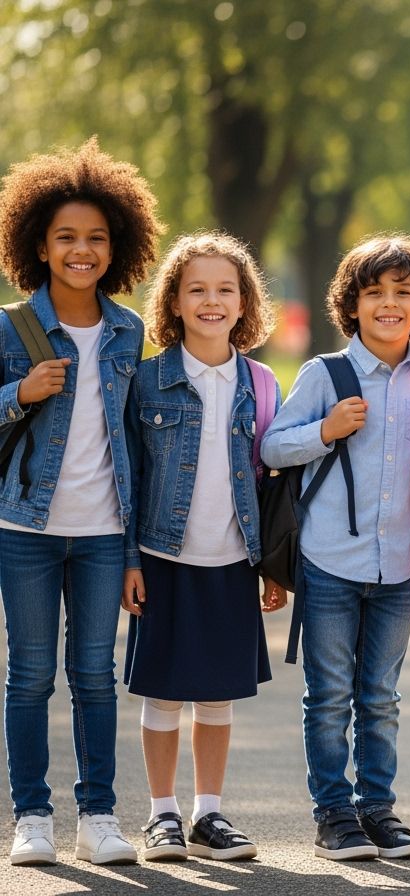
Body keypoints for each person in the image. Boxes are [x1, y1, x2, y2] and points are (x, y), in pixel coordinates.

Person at [0, 139, 161, 867]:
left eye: (96, 238)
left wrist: (132, 551)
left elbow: (133, 444)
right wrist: (17, 394)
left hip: (102, 534)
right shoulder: (11, 328)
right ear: (39, 243)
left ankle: (99, 816)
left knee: (95, 678)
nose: (82, 250)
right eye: (66, 237)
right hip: (24, 528)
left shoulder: (129, 330)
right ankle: (31, 816)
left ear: (117, 245)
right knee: (29, 676)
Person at [260, 235, 410, 861]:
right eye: (375, 293)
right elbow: (271, 449)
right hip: (328, 564)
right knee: (330, 693)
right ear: (353, 305)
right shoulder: (324, 374)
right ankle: (333, 814)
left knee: (381, 697)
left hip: (395, 568)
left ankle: (378, 809)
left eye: (403, 293)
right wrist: (325, 429)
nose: (389, 304)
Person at [122, 232, 285, 862]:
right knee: (162, 690)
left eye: (225, 289)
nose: (211, 300)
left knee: (216, 692)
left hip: (232, 559)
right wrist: (130, 561)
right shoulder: (147, 381)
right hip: (163, 557)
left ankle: (207, 814)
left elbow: (271, 480)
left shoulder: (261, 382)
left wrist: (271, 566)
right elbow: (129, 477)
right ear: (175, 301)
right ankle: (161, 815)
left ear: (244, 302)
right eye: (197, 289)